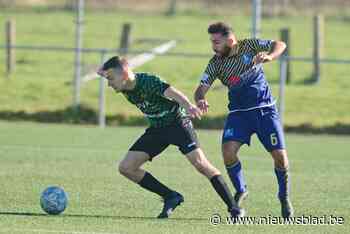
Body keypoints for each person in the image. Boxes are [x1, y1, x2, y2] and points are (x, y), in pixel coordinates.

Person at [97, 56, 243, 219]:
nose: (109, 84)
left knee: (201, 164)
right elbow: (107, 69)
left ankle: (234, 209)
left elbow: (173, 93)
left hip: (177, 124)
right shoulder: (123, 85)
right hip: (157, 129)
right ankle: (171, 196)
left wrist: (189, 106)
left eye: (110, 79)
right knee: (126, 168)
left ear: (124, 74)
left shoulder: (148, 81)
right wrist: (104, 70)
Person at [194, 22, 294, 218]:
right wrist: (200, 99)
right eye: (211, 42)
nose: (213, 46)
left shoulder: (249, 45)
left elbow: (280, 44)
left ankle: (283, 196)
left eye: (216, 42)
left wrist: (270, 56)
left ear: (230, 40)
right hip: (239, 114)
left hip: (264, 111)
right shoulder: (215, 63)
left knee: (280, 158)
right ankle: (241, 189)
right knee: (228, 152)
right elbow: (201, 88)